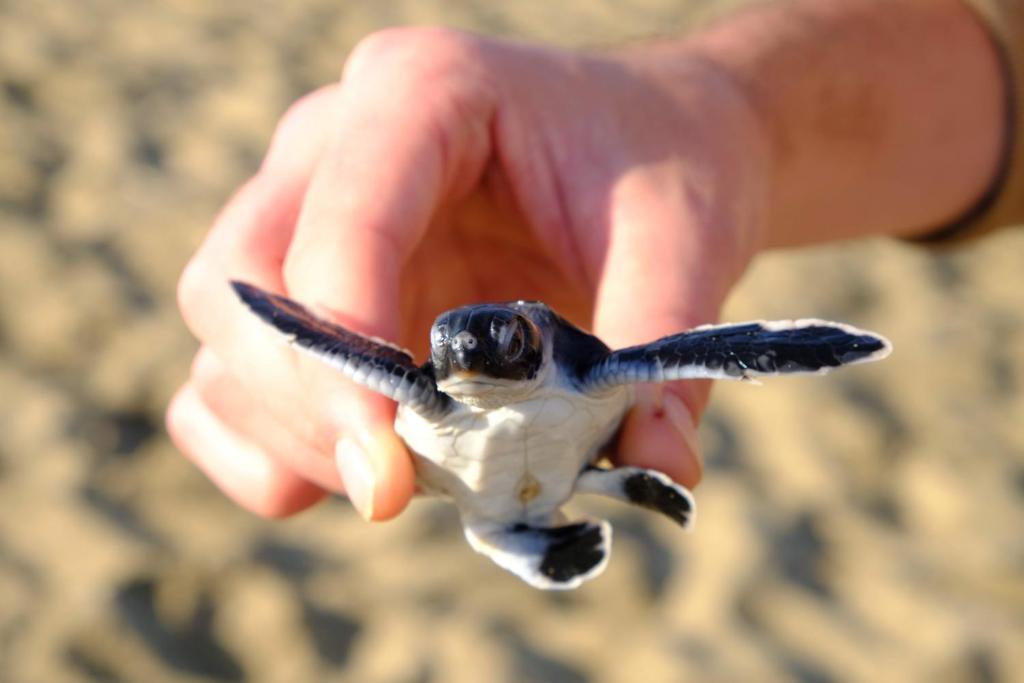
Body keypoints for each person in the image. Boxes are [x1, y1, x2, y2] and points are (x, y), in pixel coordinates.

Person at [167, 0, 1020, 522]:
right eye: (451, 349)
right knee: (332, 361)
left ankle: (586, 508)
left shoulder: (580, 369)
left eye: (494, 340)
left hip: (566, 462)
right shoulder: (432, 379)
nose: (468, 358)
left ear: (532, 339)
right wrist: (725, 111)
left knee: (660, 377)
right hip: (479, 491)